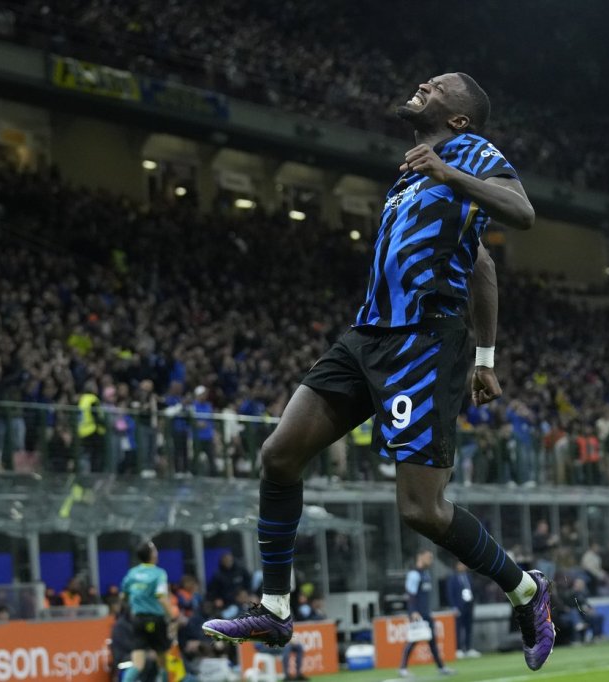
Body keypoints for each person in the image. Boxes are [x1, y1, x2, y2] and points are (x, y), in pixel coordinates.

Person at [203, 72, 554, 673]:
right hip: (367, 335)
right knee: (279, 454)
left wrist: (482, 356)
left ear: (460, 119)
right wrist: (487, 358)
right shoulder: (411, 174)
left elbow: (521, 213)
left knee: (421, 510)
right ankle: (276, 608)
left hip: (425, 340)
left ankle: (525, 589)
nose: (424, 83)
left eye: (439, 85)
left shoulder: (469, 152)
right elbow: (480, 263)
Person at [121, 541, 174, 682]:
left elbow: (123, 596)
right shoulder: (159, 574)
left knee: (137, 664)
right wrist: (173, 617)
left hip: (138, 620)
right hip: (156, 620)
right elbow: (161, 597)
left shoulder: (132, 573)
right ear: (152, 555)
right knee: (163, 662)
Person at [399, 550, 453, 677]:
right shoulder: (414, 574)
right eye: (428, 557)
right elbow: (411, 594)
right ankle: (403, 668)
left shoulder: (426, 574)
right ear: (420, 557)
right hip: (417, 614)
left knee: (432, 641)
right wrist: (413, 611)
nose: (430, 560)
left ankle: (441, 667)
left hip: (426, 612)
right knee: (413, 640)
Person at [446, 561, 478, 658]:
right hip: (459, 607)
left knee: (468, 628)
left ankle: (468, 648)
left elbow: (473, 590)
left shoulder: (468, 577)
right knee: (458, 628)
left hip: (469, 605)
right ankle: (458, 649)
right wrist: (454, 607)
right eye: (461, 564)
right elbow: (450, 593)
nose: (463, 566)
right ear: (456, 566)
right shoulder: (453, 578)